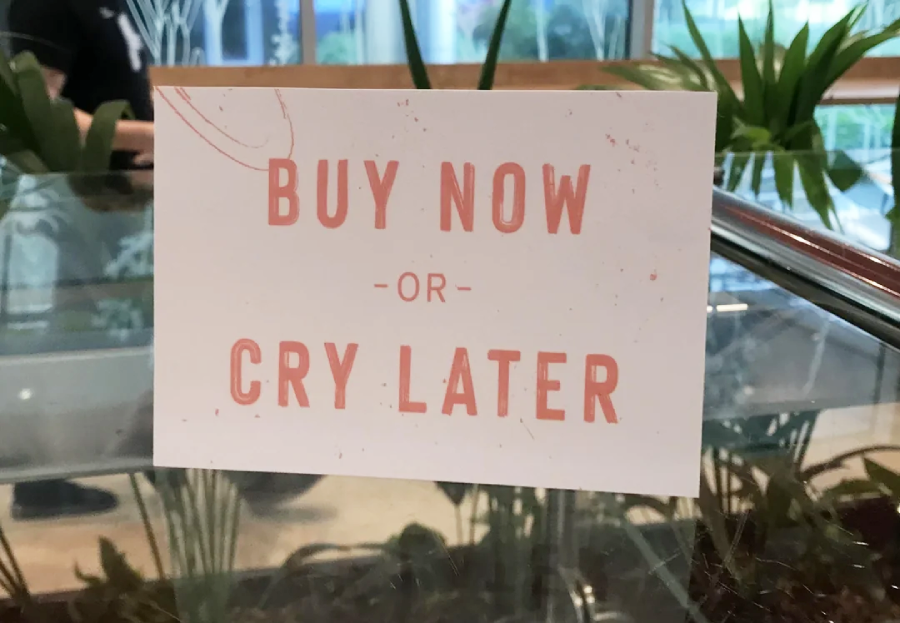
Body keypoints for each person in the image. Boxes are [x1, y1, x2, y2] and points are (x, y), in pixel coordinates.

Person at [7, 0, 154, 520]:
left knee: (136, 332)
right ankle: (40, 480)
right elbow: (39, 112)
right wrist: (152, 136)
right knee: (66, 334)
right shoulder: (45, 5)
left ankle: (157, 453)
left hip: (124, 202)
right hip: (72, 202)